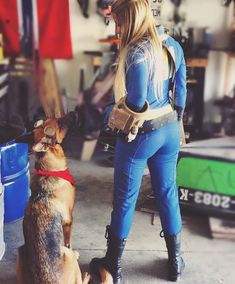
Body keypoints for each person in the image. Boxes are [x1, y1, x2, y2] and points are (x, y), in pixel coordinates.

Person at [89, 0, 187, 283]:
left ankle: (113, 265)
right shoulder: (173, 45)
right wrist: (174, 116)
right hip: (169, 129)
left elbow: (136, 102)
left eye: (118, 23)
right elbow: (180, 92)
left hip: (141, 135)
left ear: (128, 20)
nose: (117, 29)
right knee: (167, 193)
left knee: (124, 200)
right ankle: (175, 263)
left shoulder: (136, 52)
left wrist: (111, 111)